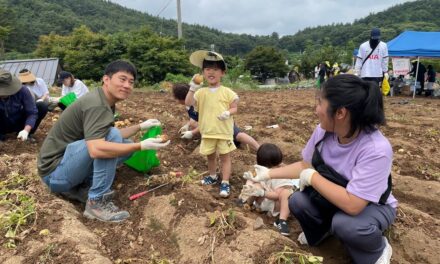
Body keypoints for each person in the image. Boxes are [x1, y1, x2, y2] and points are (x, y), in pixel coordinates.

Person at [244, 74, 397, 264]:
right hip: (335, 194)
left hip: (370, 206)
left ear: (340, 113)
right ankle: (323, 233)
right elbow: (304, 165)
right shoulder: (324, 131)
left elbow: (354, 205)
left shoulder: (375, 149)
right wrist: (267, 174)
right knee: (297, 200)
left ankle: (377, 250)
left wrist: (312, 177)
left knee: (346, 224)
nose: (316, 109)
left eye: (320, 103)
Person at [37, 60, 170, 223]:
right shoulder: (96, 104)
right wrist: (141, 145)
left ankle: (79, 188)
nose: (127, 85)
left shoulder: (103, 100)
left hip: (65, 168)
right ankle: (96, 201)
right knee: (119, 142)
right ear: (106, 79)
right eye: (122, 79)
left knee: (127, 146)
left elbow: (107, 135)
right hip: (55, 173)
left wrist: (140, 127)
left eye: (131, 82)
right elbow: (96, 149)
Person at [185, 50, 238, 198]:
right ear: (202, 72)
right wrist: (192, 88)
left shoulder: (227, 92)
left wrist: (228, 113)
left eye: (215, 69)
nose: (211, 72)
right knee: (210, 156)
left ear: (223, 73)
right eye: (207, 69)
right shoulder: (201, 92)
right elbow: (188, 103)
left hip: (224, 132)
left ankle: (225, 182)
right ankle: (213, 176)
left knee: (225, 157)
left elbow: (235, 107)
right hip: (207, 131)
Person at [172, 83, 259, 151]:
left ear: (182, 98)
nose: (175, 101)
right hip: (211, 129)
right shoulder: (189, 105)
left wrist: (192, 132)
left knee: (238, 135)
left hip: (221, 122)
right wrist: (187, 125)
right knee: (192, 123)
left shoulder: (198, 104)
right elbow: (195, 118)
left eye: (176, 98)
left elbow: (207, 122)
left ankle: (258, 148)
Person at [240, 143, 296, 236]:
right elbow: (251, 179)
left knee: (286, 193)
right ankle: (246, 202)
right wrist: (248, 187)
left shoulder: (281, 175)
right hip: (261, 202)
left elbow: (277, 196)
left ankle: (282, 220)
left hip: (275, 205)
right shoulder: (259, 169)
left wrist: (262, 193)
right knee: (256, 185)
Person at [0, 69, 46, 142]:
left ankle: (25, 134)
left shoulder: (22, 90)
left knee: (41, 106)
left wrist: (26, 130)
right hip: (2, 124)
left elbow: (32, 112)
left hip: (18, 121)